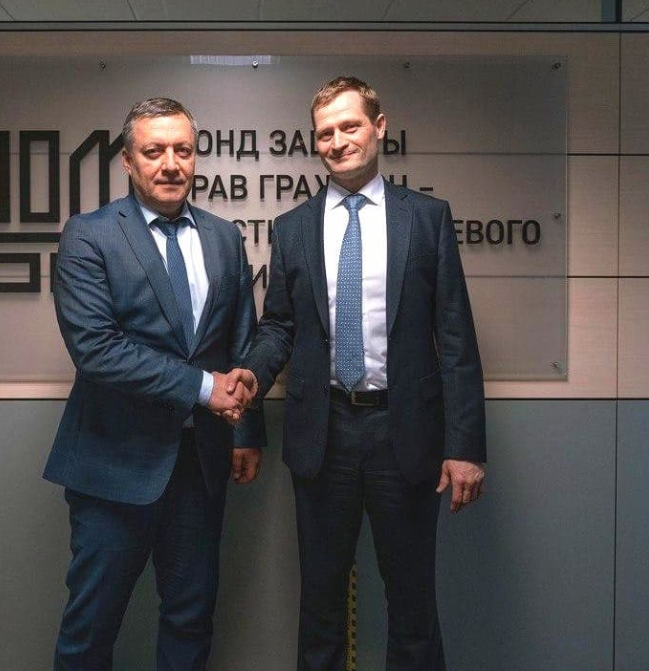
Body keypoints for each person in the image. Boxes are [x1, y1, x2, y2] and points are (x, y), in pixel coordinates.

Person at [227, 76, 487, 671]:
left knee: (413, 605)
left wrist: (465, 446)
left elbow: (455, 338)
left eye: (350, 126)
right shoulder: (293, 227)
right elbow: (280, 326)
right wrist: (253, 375)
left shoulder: (426, 219)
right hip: (324, 434)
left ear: (379, 127)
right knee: (319, 605)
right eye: (325, 133)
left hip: (406, 433)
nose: (338, 141)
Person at [43, 97, 266, 671]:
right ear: (127, 160)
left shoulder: (223, 236)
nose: (171, 164)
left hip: (200, 464)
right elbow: (96, 350)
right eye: (154, 151)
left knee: (191, 621)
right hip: (112, 464)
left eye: (183, 150)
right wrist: (204, 388)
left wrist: (246, 432)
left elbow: (240, 339)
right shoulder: (89, 235)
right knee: (91, 627)